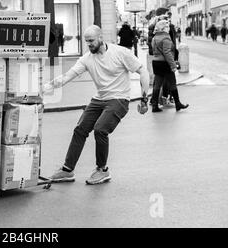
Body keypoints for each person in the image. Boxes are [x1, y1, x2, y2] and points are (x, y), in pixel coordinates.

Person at [43, 25, 150, 185]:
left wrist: (144, 98)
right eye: (87, 42)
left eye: (91, 40)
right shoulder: (87, 58)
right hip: (99, 99)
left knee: (100, 129)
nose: (89, 44)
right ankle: (67, 170)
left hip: (118, 99)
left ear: (100, 37)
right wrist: (45, 88)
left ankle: (103, 170)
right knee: (80, 129)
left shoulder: (120, 53)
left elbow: (143, 71)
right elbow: (67, 76)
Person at [150, 20, 189, 113]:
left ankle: (154, 106)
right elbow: (167, 53)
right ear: (163, 28)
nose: (168, 28)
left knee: (157, 85)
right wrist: (173, 65)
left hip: (156, 63)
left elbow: (154, 51)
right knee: (172, 83)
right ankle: (178, 104)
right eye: (167, 26)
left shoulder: (154, 38)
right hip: (165, 63)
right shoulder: (166, 38)